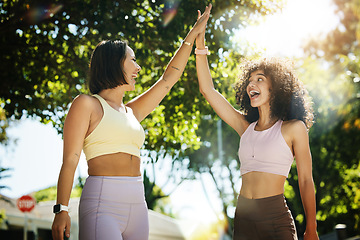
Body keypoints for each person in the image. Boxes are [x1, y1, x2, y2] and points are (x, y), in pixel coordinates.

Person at [51, 4, 212, 240]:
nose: (138, 67)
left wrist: (193, 36)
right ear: (115, 63)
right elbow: (70, 160)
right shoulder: (86, 104)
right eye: (132, 60)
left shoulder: (131, 112)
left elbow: (168, 79)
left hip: (138, 202)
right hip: (102, 202)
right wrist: (61, 209)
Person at [195, 28, 319, 239]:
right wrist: (200, 45)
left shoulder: (293, 128)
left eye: (259, 79)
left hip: (275, 218)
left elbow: (306, 180)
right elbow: (208, 90)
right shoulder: (245, 127)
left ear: (277, 87)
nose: (251, 84)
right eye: (249, 81)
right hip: (243, 218)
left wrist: (311, 228)